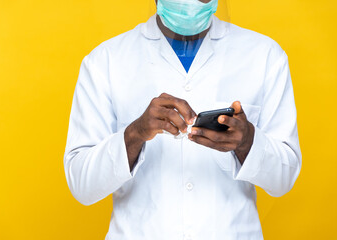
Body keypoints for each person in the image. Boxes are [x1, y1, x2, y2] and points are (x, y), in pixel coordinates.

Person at [63, 0, 302, 239]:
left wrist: (247, 143)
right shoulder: (105, 61)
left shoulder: (265, 55)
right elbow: (82, 185)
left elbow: (284, 179)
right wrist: (134, 134)